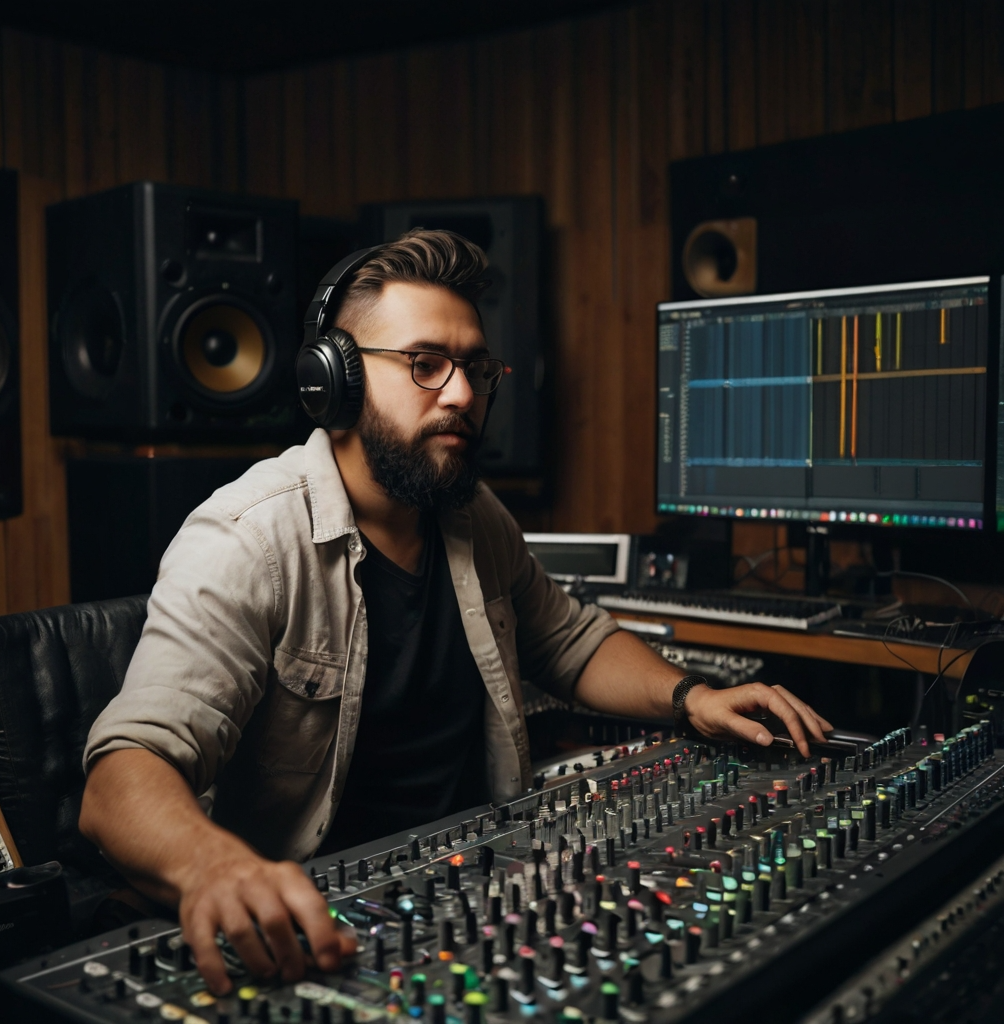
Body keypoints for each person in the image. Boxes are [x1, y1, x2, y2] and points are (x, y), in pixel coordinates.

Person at [79, 229, 832, 996]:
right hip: (315, 921)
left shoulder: (473, 514)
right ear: (331, 381)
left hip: (474, 889)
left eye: (476, 368)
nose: (464, 394)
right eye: (425, 364)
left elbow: (570, 642)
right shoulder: (247, 541)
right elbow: (122, 778)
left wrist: (690, 697)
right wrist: (216, 869)